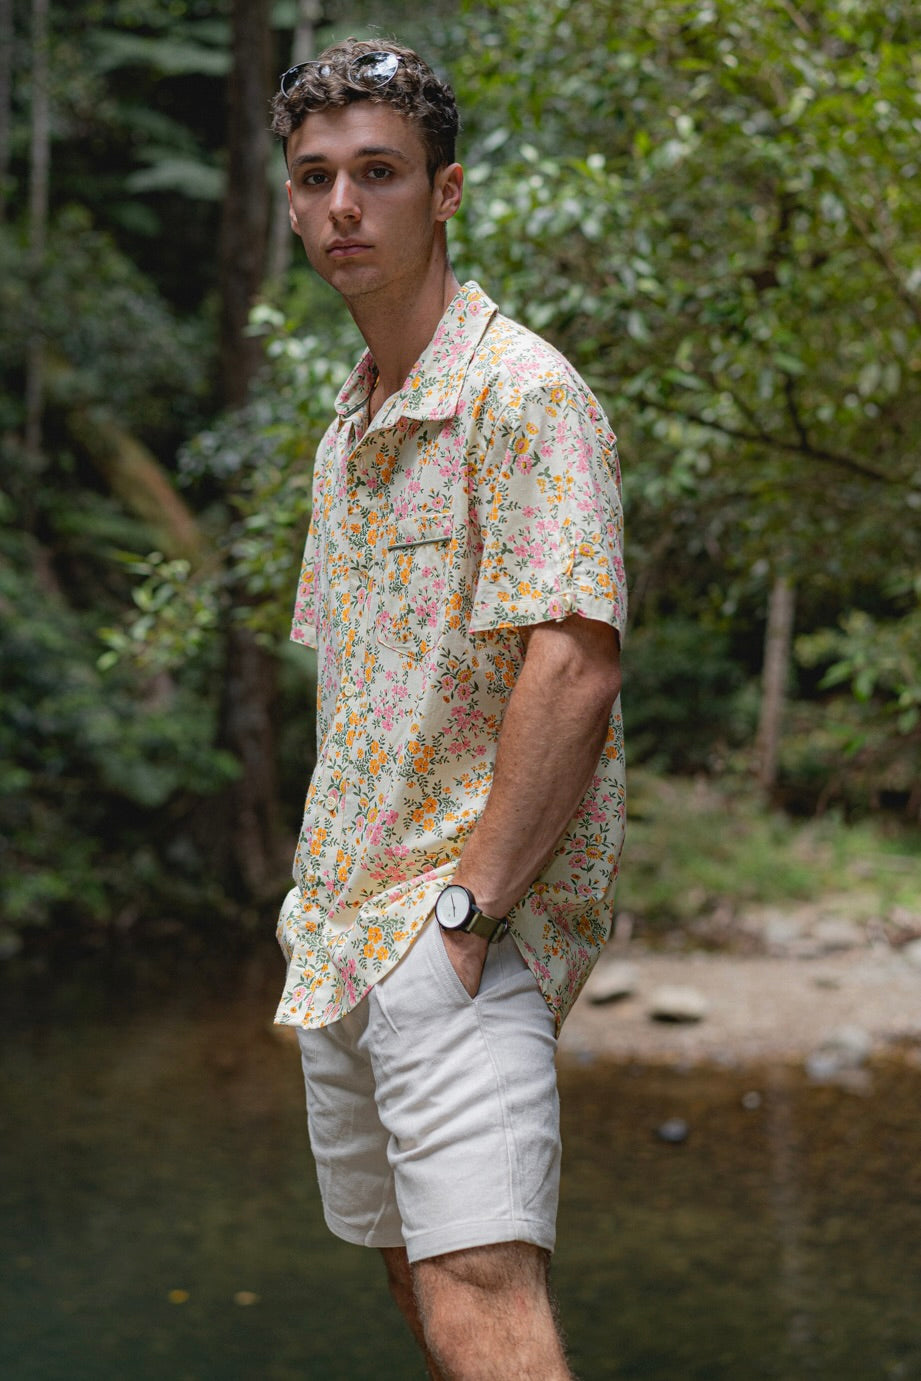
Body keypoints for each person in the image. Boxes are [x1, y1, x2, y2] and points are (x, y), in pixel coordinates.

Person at [270, 37, 626, 1381]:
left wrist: (467, 917)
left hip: (459, 926)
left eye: (378, 172)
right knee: (424, 1290)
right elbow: (361, 686)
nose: (343, 205)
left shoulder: (521, 394)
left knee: (481, 1294)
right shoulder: (348, 427)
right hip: (345, 934)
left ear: (447, 192)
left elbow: (575, 663)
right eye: (316, 177)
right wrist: (322, 906)